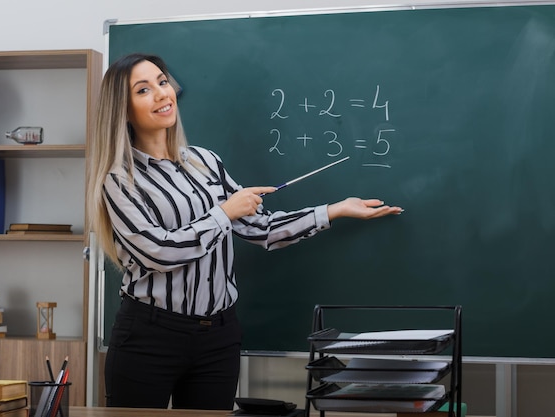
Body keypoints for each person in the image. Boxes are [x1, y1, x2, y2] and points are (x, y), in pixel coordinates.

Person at [86, 52, 403, 411]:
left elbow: (261, 228)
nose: (162, 94)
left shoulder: (205, 162)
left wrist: (334, 210)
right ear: (123, 110)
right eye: (143, 90)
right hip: (150, 337)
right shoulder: (118, 179)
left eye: (162, 82)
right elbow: (158, 252)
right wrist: (224, 212)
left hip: (217, 337)